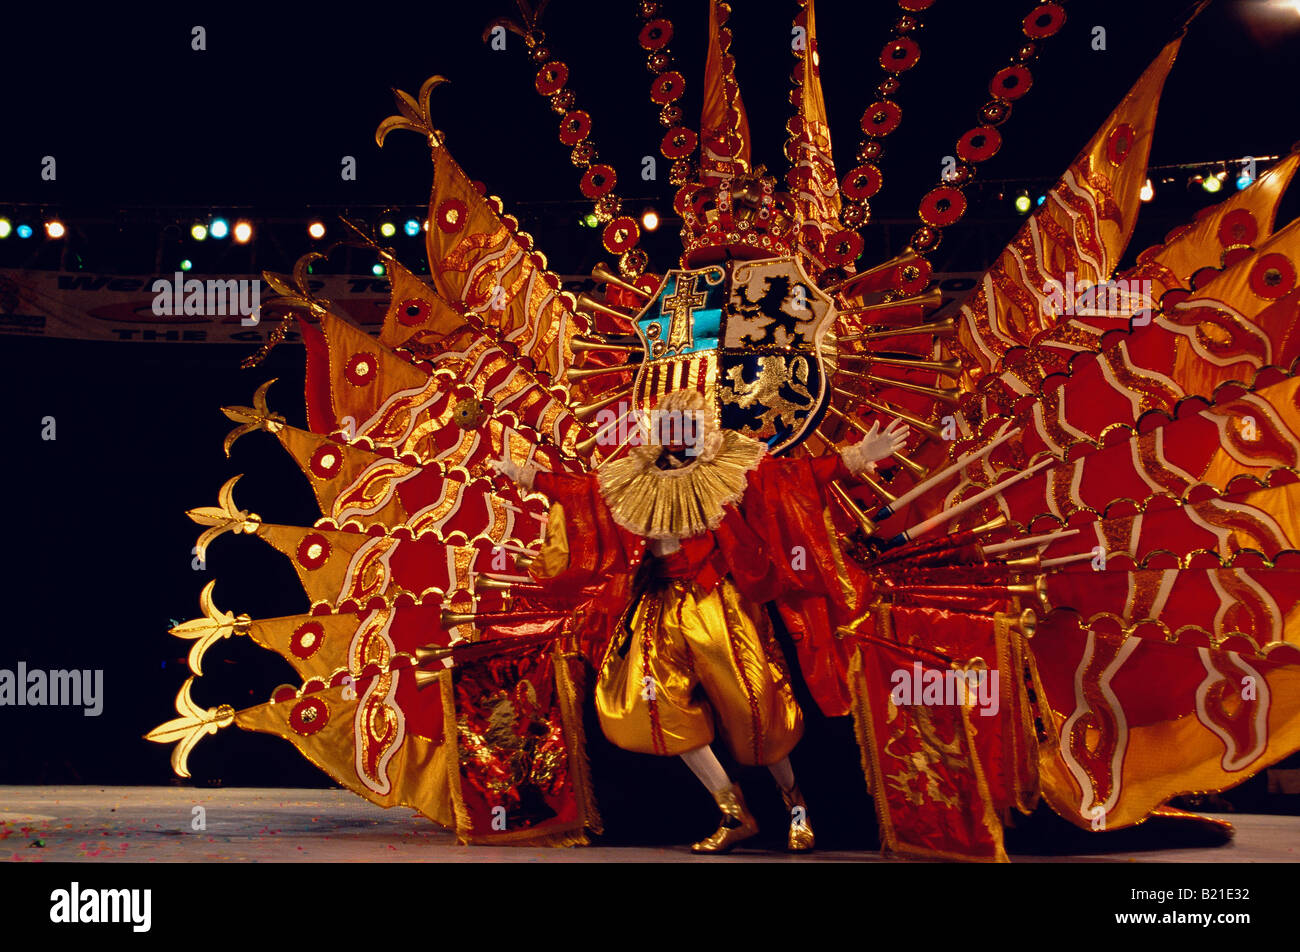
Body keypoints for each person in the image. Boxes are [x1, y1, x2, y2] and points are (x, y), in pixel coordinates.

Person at [493, 388, 908, 852]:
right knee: (650, 706)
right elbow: (583, 492)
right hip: (658, 601)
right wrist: (529, 477)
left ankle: (796, 806)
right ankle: (732, 810)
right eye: (667, 424)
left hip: (719, 601)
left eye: (686, 424)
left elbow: (791, 479)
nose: (676, 434)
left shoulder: (731, 466)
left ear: (701, 427)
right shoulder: (632, 474)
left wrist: (855, 458)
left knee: (753, 709)